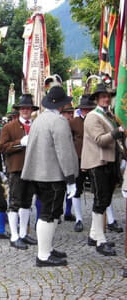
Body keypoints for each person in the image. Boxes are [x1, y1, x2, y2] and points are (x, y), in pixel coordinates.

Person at [22, 86, 79, 267]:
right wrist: (70, 178)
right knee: (48, 214)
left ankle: (47, 248)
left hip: (39, 174)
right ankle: (43, 255)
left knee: (51, 213)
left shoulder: (38, 120)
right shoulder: (59, 122)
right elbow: (65, 151)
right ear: (61, 105)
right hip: (53, 175)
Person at [81, 83, 123, 256]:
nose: (106, 99)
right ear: (97, 99)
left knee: (104, 200)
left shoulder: (109, 114)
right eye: (103, 96)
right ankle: (100, 240)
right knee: (100, 200)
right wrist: (117, 132)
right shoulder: (92, 116)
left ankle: (94, 234)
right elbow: (99, 139)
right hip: (97, 162)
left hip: (108, 161)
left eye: (108, 96)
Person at [0, 94, 38, 250]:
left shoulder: (36, 125)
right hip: (16, 168)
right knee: (15, 202)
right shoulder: (9, 127)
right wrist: (19, 143)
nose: (25, 111)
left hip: (33, 169)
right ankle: (14, 236)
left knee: (27, 202)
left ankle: (23, 233)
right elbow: (2, 147)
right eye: (23, 108)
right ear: (19, 110)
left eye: (28, 108)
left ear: (31, 110)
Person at [68, 95, 96, 232]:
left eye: (89, 109)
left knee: (100, 190)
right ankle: (79, 219)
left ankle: (109, 219)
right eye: (85, 109)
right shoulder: (73, 122)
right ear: (81, 110)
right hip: (78, 159)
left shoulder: (97, 120)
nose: (87, 111)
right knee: (76, 190)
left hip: (95, 159)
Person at [59, 104, 76, 222]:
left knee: (70, 187)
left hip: (70, 158)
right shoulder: (59, 125)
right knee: (59, 189)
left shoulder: (73, 125)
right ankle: (58, 212)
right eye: (68, 113)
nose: (71, 115)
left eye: (72, 112)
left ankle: (68, 212)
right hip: (58, 161)